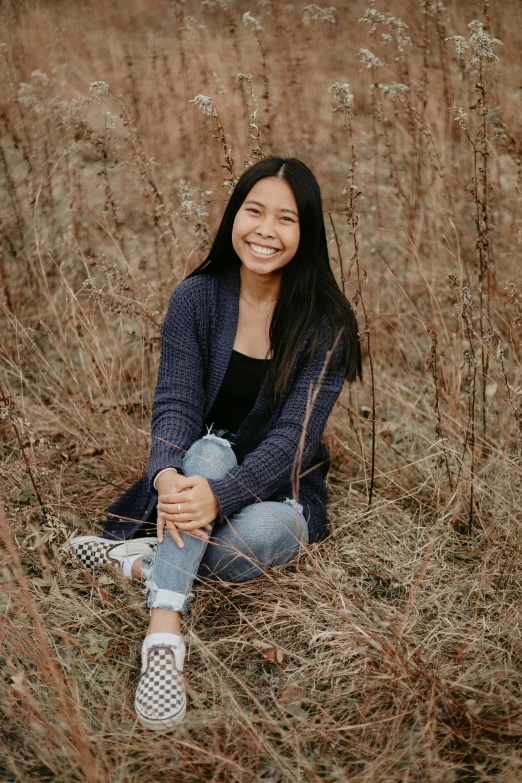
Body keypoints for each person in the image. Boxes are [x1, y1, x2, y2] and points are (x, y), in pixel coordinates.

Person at [64, 156, 362, 732]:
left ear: (307, 232)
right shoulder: (196, 298)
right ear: (234, 215)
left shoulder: (327, 326)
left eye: (286, 219)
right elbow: (175, 406)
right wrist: (165, 477)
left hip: (284, 489)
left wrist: (221, 498)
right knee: (207, 452)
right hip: (198, 473)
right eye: (254, 211)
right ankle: (164, 634)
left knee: (258, 536)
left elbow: (291, 442)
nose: (265, 231)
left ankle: (142, 559)